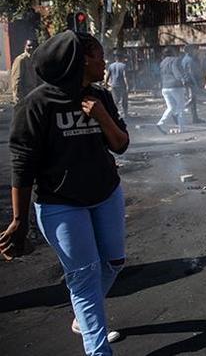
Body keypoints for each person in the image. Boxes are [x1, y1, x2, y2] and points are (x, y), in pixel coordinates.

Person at [1, 31, 129, 355]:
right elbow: (22, 164)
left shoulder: (102, 96)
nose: (104, 62)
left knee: (114, 261)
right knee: (84, 276)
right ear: (83, 60)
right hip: (61, 204)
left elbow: (121, 145)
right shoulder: (36, 105)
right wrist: (20, 220)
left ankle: (82, 317)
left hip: (106, 194)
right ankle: (97, 349)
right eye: (99, 56)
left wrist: (100, 115)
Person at [156, 47, 188, 134]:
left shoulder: (162, 62)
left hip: (165, 87)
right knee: (181, 107)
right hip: (176, 86)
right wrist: (183, 79)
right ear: (172, 52)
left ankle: (161, 123)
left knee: (171, 107)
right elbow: (176, 71)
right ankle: (181, 128)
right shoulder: (175, 60)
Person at [10, 39, 39, 104]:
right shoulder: (21, 60)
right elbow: (16, 80)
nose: (31, 47)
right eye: (29, 45)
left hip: (33, 95)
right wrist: (18, 98)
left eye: (33, 46)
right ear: (25, 46)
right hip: (24, 96)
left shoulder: (34, 60)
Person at [181, 45, 204, 123]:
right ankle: (179, 110)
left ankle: (195, 118)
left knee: (193, 101)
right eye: (196, 50)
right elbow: (191, 73)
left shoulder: (186, 59)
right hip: (190, 82)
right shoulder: (189, 60)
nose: (197, 51)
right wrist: (196, 84)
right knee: (191, 99)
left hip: (188, 82)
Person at [105, 52, 129, 118]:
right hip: (122, 85)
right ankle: (125, 114)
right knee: (124, 100)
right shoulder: (123, 65)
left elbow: (108, 75)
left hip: (114, 85)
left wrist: (106, 83)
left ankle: (114, 114)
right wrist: (127, 85)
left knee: (115, 101)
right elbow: (125, 76)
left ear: (115, 59)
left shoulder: (111, 66)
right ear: (121, 58)